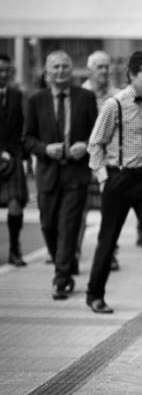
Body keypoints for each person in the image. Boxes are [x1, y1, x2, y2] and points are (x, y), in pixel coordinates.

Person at [85, 51, 142, 317]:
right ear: (131, 75)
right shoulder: (114, 105)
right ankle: (94, 295)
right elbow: (95, 144)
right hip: (117, 177)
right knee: (108, 239)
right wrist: (103, 179)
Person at [24, 50, 98, 299]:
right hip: (47, 173)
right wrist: (45, 149)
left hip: (75, 174)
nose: (60, 71)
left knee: (68, 226)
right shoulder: (36, 101)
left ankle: (61, 278)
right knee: (48, 226)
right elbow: (26, 139)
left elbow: (98, 135)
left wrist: (85, 146)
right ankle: (64, 263)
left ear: (72, 70)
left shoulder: (86, 98)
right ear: (47, 72)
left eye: (65, 66)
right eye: (55, 67)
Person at [81, 50, 121, 272]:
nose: (105, 71)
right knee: (80, 210)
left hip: (109, 162)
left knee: (110, 210)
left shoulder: (118, 95)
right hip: (82, 162)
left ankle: (110, 254)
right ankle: (72, 251)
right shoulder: (80, 94)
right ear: (89, 70)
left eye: (107, 66)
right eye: (100, 67)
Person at [0, 54, 29, 266]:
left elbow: (23, 128)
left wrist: (22, 156)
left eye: (6, 71)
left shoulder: (17, 96)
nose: (3, 74)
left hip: (13, 158)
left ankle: (14, 249)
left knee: (15, 205)